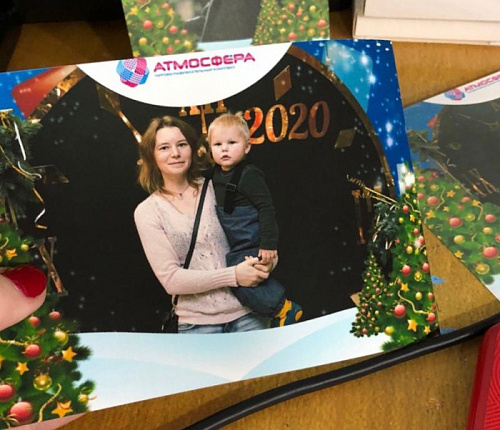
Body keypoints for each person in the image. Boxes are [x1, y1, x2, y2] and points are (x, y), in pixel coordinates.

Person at [134, 116, 272, 334]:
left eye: (182, 144)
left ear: (192, 148)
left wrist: (266, 261)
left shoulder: (217, 187)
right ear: (151, 156)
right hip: (196, 326)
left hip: (249, 315)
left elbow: (252, 230)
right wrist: (234, 275)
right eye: (164, 147)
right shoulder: (148, 211)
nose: (175, 153)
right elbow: (171, 280)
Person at [207, 113, 302, 327]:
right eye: (218, 144)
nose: (224, 149)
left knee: (240, 276)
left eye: (232, 143)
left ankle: (284, 308)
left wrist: (268, 244)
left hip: (251, 237)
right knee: (236, 275)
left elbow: (266, 209)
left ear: (247, 147)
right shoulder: (214, 174)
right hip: (236, 241)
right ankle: (278, 310)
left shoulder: (249, 174)